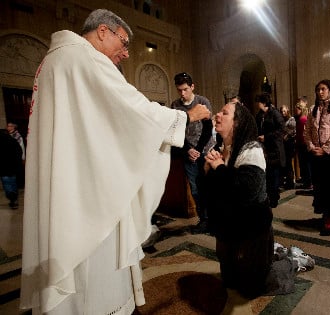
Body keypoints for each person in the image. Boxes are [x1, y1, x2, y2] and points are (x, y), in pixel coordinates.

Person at [20, 9, 210, 315]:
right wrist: (186, 116)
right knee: (95, 267)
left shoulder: (54, 60)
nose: (124, 54)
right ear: (103, 31)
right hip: (90, 188)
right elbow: (132, 109)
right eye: (122, 43)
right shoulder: (85, 59)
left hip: (69, 177)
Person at [203, 101, 274, 298]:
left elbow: (246, 191)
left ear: (237, 123)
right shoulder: (223, 147)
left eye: (224, 113)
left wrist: (219, 167)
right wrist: (208, 169)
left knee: (250, 288)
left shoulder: (251, 149)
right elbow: (212, 190)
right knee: (230, 280)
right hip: (229, 227)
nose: (217, 115)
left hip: (250, 229)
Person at [304, 79, 330, 236]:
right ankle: (326, 214)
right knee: (320, 186)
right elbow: (307, 130)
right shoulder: (312, 109)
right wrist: (311, 147)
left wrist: (325, 149)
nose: (320, 92)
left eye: (323, 89)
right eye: (318, 89)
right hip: (317, 153)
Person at [171, 72, 213, 223]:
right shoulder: (175, 105)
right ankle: (204, 220)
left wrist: (199, 149)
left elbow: (208, 128)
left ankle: (214, 219)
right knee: (195, 188)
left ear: (192, 86)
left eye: (185, 89)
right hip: (188, 152)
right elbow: (177, 131)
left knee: (209, 186)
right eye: (179, 90)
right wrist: (188, 149)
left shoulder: (202, 101)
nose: (182, 93)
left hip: (206, 150)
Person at [256, 93, 286, 208]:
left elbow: (282, 129)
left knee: (274, 176)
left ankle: (274, 199)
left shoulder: (274, 113)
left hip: (275, 149)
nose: (257, 104)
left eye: (258, 102)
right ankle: (270, 196)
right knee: (267, 175)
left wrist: (267, 137)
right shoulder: (260, 115)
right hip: (264, 149)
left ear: (263, 102)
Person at [0, 129, 22, 209]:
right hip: (13, 168)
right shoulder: (13, 141)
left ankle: (12, 198)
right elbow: (19, 152)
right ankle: (14, 199)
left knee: (7, 184)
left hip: (3, 169)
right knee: (13, 183)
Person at [294, 97, 312, 189]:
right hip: (300, 144)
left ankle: (308, 182)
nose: (295, 111)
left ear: (301, 109)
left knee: (306, 164)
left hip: (304, 144)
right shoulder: (300, 119)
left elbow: (305, 133)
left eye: (297, 109)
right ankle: (306, 181)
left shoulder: (303, 119)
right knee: (303, 164)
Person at [279, 104, 296, 189]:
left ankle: (290, 183)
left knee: (289, 163)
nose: (283, 113)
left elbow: (293, 131)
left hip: (289, 144)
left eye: (284, 111)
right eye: (282, 111)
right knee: (284, 163)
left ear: (287, 111)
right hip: (283, 144)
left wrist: (286, 136)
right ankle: (287, 181)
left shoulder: (291, 119)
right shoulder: (281, 120)